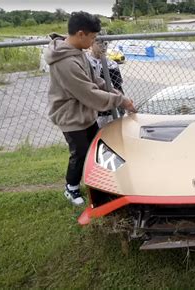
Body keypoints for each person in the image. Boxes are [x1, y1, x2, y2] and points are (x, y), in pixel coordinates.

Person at [44, 11, 136, 206]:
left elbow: (96, 81)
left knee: (99, 148)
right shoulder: (65, 62)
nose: (94, 41)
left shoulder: (78, 53)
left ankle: (107, 183)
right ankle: (71, 188)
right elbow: (89, 94)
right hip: (70, 117)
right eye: (93, 37)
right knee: (81, 153)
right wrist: (120, 101)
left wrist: (119, 95)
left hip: (85, 114)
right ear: (80, 34)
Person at [86, 34, 125, 127]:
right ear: (91, 44)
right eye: (99, 43)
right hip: (91, 106)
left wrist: (122, 106)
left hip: (109, 105)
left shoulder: (112, 64)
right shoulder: (86, 62)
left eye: (105, 44)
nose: (103, 47)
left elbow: (117, 86)